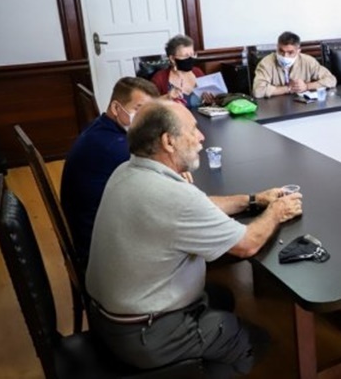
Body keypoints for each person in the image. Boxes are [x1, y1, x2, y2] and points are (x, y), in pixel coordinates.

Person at [86, 101, 302, 375]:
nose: (201, 136)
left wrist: (254, 200)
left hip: (110, 317)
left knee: (220, 296)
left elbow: (198, 206)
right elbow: (248, 245)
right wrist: (276, 211)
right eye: (192, 129)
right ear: (168, 141)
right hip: (145, 334)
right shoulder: (173, 197)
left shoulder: (126, 171)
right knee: (257, 340)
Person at [61, 77, 159, 266]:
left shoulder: (100, 127)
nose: (146, 119)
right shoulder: (115, 148)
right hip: (102, 252)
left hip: (93, 231)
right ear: (116, 108)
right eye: (139, 109)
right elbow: (157, 194)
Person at [252, 31, 336, 98]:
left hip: (301, 107)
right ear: (277, 47)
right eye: (281, 51)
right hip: (274, 109)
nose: (285, 56)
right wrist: (288, 89)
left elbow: (331, 80)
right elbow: (258, 91)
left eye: (290, 52)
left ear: (298, 51)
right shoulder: (266, 63)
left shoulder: (308, 61)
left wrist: (306, 86)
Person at [150, 34, 213, 108]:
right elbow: (149, 105)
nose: (190, 59)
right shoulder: (159, 78)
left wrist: (209, 101)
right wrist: (167, 97)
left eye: (192, 55)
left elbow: (208, 104)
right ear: (172, 59)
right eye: (186, 56)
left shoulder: (198, 72)